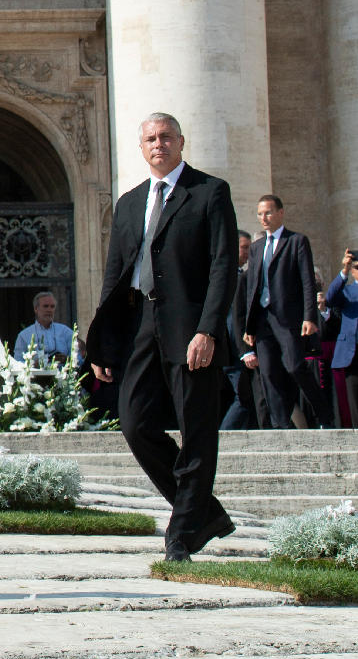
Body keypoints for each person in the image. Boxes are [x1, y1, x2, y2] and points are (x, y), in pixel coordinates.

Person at [86, 113, 237, 561]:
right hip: (139, 327)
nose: (159, 144)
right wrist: (104, 341)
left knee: (197, 430)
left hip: (190, 328)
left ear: (181, 142)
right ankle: (203, 513)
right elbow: (115, 275)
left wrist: (208, 329)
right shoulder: (131, 203)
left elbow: (223, 267)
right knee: (134, 424)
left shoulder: (210, 192)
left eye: (166, 136)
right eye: (150, 138)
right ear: (142, 147)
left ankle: (183, 532)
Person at [240, 194, 329, 428]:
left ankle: (324, 414)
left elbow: (307, 281)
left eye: (268, 212)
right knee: (268, 374)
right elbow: (252, 288)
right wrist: (249, 326)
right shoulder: (257, 247)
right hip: (263, 320)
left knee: (295, 366)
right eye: (260, 214)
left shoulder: (296, 241)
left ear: (280, 213)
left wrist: (309, 316)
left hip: (288, 319)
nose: (264, 218)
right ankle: (281, 426)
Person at [222, 231, 263, 431]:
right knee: (243, 396)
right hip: (233, 349)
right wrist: (244, 349)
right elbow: (232, 318)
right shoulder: (228, 277)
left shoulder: (239, 275)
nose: (248, 252)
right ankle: (224, 438)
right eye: (244, 247)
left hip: (237, 348)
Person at [325, 249, 358, 427]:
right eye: (356, 268)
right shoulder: (348, 291)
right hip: (352, 352)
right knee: (354, 395)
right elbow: (330, 298)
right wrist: (344, 271)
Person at [12, 291, 75, 362]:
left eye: (52, 306)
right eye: (45, 306)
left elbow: (78, 358)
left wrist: (67, 359)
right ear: (36, 309)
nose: (49, 310)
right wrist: (34, 364)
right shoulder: (24, 335)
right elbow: (17, 362)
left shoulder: (65, 332)